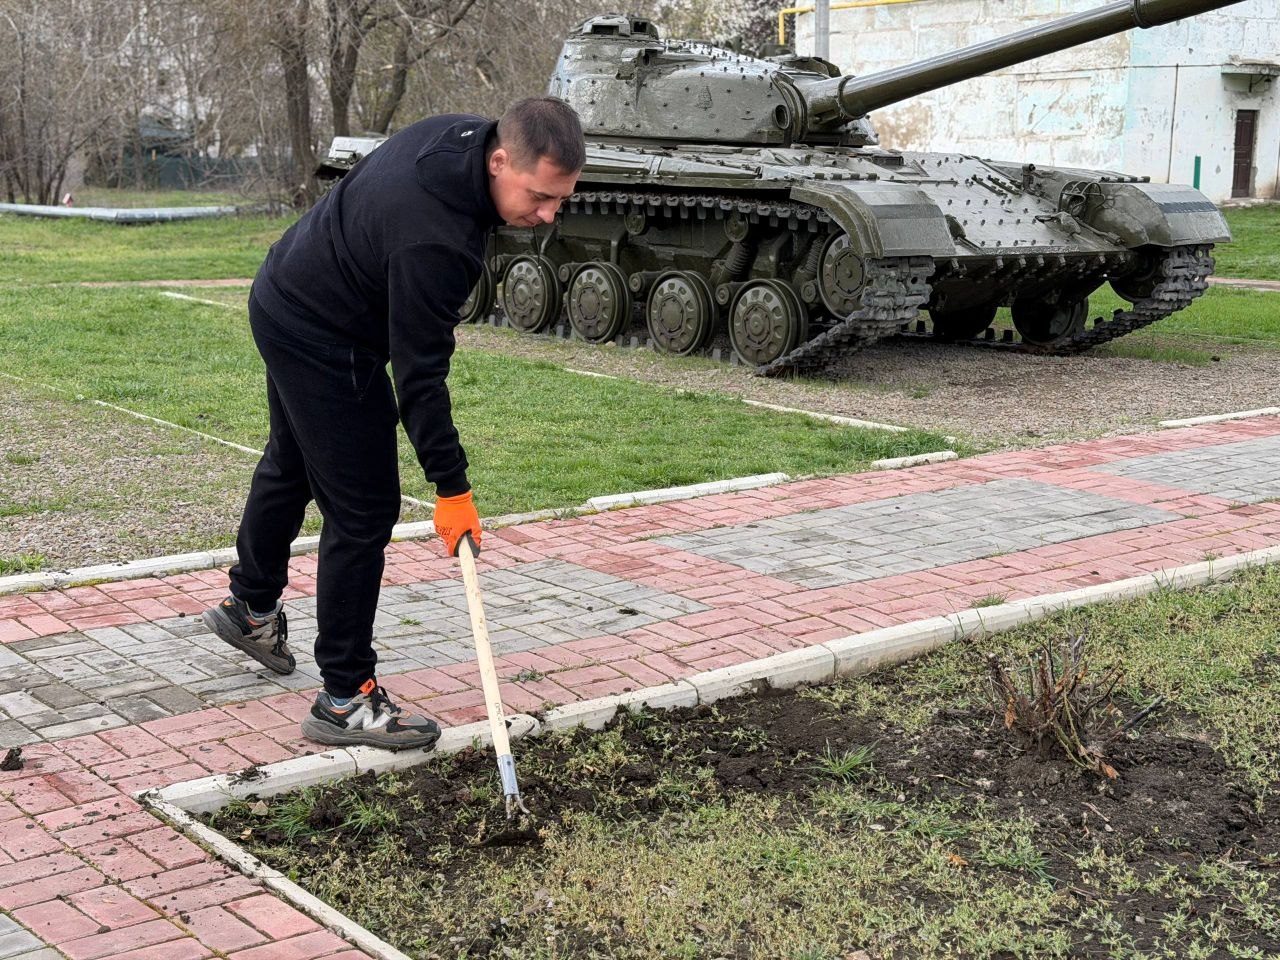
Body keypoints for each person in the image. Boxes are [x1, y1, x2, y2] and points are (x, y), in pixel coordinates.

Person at [204, 98, 585, 751]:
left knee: (291, 461)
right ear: (500, 160)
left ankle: (251, 607)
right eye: (541, 195)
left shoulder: (457, 137)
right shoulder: (438, 239)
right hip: (324, 332)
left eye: (561, 200)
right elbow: (419, 380)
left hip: (284, 290)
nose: (548, 215)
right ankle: (345, 699)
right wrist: (453, 488)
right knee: (363, 512)